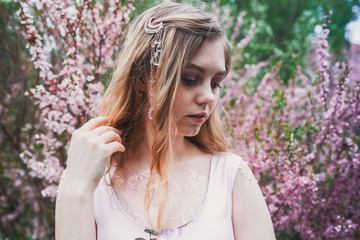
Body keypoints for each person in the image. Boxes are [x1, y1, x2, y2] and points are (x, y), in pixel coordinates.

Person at [55, 2, 276, 240]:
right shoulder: (91, 178)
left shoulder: (231, 176)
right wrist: (76, 190)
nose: (209, 97)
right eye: (190, 78)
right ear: (142, 79)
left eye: (215, 83)